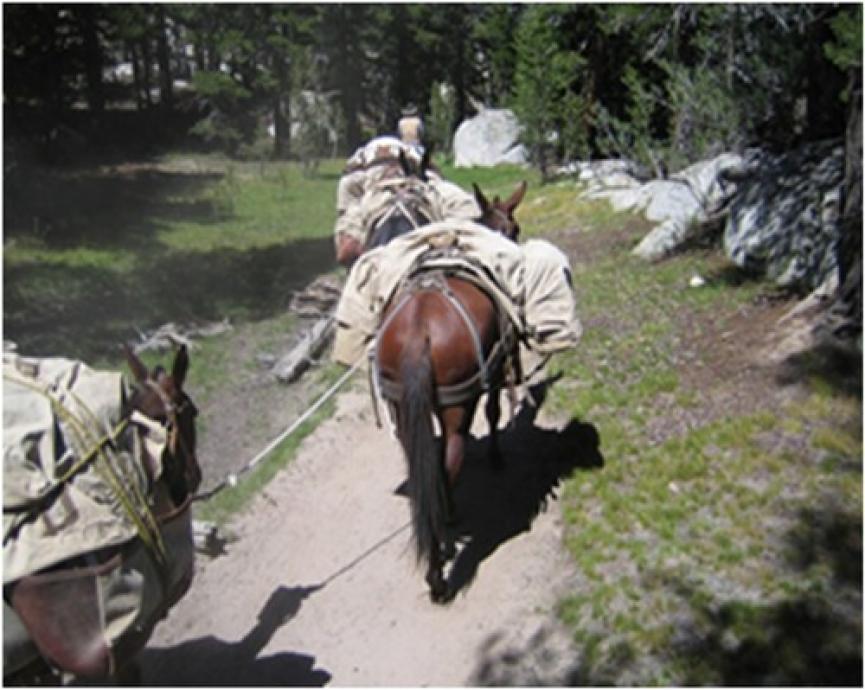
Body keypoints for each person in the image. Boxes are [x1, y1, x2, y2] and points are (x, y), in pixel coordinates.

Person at [333, 134, 479, 267]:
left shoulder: (362, 205)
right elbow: (469, 219)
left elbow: (347, 251)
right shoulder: (440, 190)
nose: (390, 171)